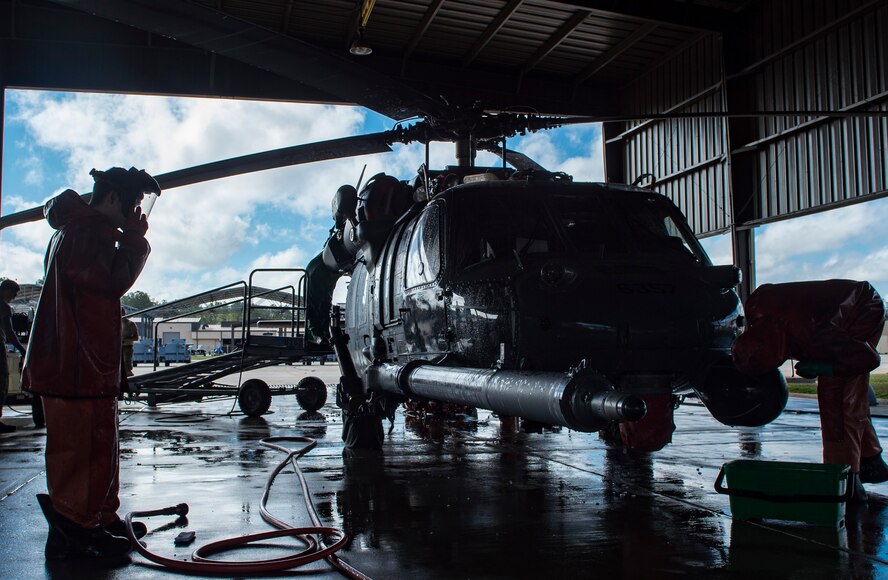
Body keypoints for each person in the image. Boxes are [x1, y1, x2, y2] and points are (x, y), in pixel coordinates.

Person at [22, 167, 160, 559]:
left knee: (100, 448)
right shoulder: (84, 231)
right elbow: (109, 281)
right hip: (73, 366)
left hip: (87, 364)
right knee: (79, 452)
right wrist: (134, 244)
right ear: (113, 198)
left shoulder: (84, 230)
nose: (136, 214)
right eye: (134, 204)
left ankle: (98, 517)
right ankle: (74, 529)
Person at [732, 279, 888, 499]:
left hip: (861, 308)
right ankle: (871, 460)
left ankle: (845, 481)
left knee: (837, 395)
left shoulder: (819, 333)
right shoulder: (755, 305)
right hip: (835, 306)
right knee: (854, 392)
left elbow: (869, 359)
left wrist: (824, 365)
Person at [0, 279, 27, 433]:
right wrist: (23, 350)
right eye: (14, 293)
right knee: (2, 380)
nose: (14, 297)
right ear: (6, 289)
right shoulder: (4, 307)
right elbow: (10, 334)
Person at [121, 309, 139, 377]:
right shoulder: (114, 323)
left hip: (127, 347)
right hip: (117, 348)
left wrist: (124, 339)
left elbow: (136, 337)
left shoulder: (130, 324)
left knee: (127, 365)